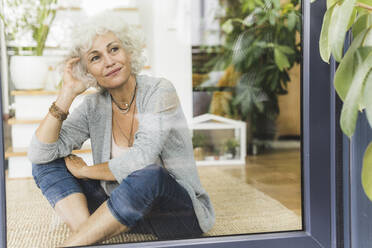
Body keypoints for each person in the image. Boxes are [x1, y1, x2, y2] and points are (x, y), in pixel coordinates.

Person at [28, 11, 215, 247]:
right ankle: (89, 235)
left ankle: (75, 243)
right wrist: (66, 94)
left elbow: (141, 161)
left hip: (174, 213)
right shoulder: (94, 106)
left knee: (150, 174)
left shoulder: (160, 91)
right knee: (47, 162)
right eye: (95, 58)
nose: (109, 62)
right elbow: (39, 153)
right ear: (88, 71)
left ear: (129, 51)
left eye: (114, 49)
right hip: (124, 206)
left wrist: (86, 172)